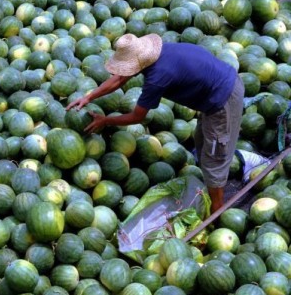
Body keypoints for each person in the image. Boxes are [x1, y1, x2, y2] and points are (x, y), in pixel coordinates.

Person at [66, 33, 244, 214]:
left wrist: (105, 121)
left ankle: (217, 212)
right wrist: (88, 97)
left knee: (214, 157)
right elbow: (119, 79)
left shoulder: (158, 77)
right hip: (213, 95)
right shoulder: (159, 53)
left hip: (224, 99)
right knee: (202, 142)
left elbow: (137, 117)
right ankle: (209, 188)